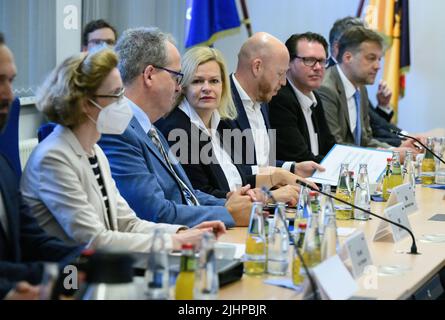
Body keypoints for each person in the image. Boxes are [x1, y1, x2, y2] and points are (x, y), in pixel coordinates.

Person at [20, 48, 225, 255]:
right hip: (67, 277)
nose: (123, 102)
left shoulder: (95, 152)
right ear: (85, 104)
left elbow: (128, 223)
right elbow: (95, 240)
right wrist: (174, 243)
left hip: (99, 268)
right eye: (116, 94)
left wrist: (181, 233)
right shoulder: (54, 157)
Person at [98, 27, 253, 228]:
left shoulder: (149, 128)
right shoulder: (118, 130)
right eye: (175, 77)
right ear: (149, 75)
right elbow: (154, 212)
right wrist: (229, 213)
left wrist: (230, 203)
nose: (179, 87)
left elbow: (185, 194)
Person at [157, 46, 300, 206]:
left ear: (223, 86)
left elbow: (235, 179)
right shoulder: (177, 129)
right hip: (214, 222)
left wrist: (278, 177)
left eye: (214, 81)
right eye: (197, 81)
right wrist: (268, 196)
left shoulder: (221, 124)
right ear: (183, 87)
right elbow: (199, 194)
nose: (207, 88)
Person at [0, 32, 82, 300]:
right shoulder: (52, 155)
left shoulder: (3, 166)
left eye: (11, 81)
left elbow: (34, 241)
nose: (9, 96)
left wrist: (83, 267)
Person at [220, 32, 324, 178]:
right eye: (280, 74)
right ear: (257, 67)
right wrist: (279, 180)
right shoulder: (221, 104)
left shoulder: (263, 101)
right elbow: (235, 172)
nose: (283, 82)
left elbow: (263, 163)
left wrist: (292, 168)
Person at [317, 26, 419, 160]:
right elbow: (336, 147)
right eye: (371, 58)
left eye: (379, 59)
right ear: (348, 57)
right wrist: (391, 155)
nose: (378, 66)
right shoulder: (327, 89)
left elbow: (365, 140)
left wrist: (395, 149)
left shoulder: (360, 88)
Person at [269, 32, 336, 163]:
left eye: (322, 61)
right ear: (288, 62)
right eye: (309, 60)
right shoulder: (279, 98)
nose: (317, 67)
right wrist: (341, 165)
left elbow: (330, 145)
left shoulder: (314, 96)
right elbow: (299, 158)